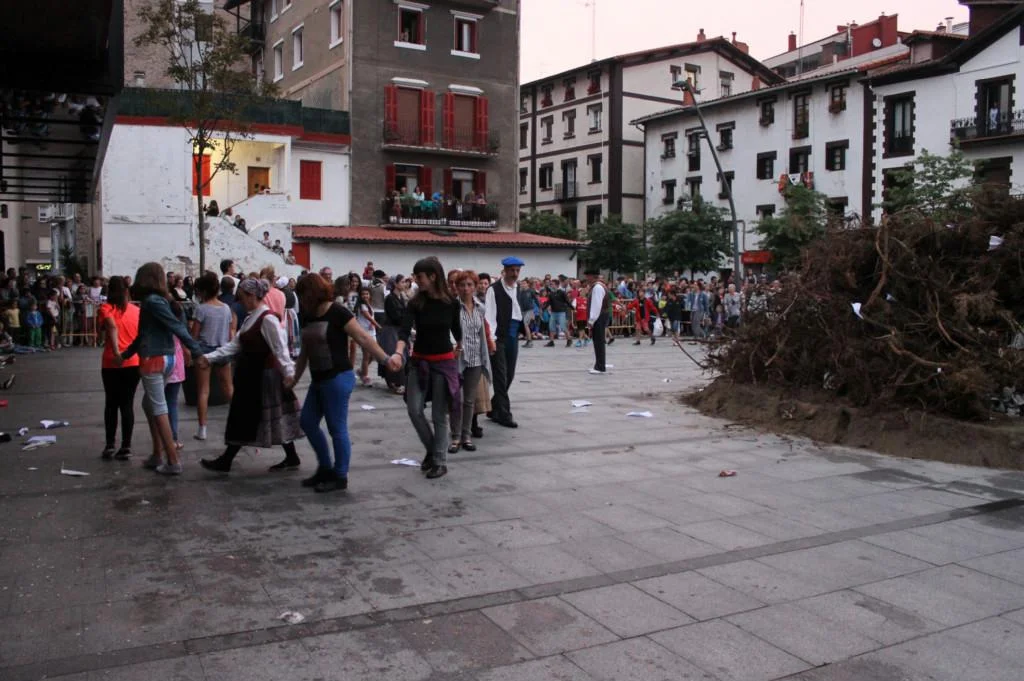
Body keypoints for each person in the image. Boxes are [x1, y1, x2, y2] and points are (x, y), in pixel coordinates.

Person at [284, 274, 397, 492]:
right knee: (307, 421)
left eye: (303, 295)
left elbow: (363, 337)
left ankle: (340, 475)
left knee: (336, 428)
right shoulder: (307, 315)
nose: (302, 300)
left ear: (313, 293)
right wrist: (294, 378)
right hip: (318, 378)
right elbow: (305, 351)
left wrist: (386, 359)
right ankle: (325, 467)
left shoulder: (338, 312)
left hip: (337, 377)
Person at [197, 278, 303, 473]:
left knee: (249, 416)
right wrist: (210, 357)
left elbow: (280, 349)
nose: (241, 301)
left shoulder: (267, 319)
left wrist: (289, 373)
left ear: (253, 296)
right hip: (251, 375)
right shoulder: (251, 318)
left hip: (264, 376)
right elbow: (234, 345)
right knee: (252, 416)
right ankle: (290, 456)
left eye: (243, 297)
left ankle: (227, 460)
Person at [115, 262, 203, 475]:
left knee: (158, 407)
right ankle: (158, 454)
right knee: (151, 404)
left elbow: (173, 326)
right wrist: (126, 355)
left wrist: (196, 350)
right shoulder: (160, 300)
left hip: (154, 358)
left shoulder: (152, 302)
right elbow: (148, 332)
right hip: (166, 357)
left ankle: (172, 460)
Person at [395, 257, 462, 479]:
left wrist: (461, 346)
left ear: (433, 276)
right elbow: (404, 330)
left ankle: (440, 461)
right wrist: (398, 352)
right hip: (419, 361)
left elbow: (457, 330)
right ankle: (433, 450)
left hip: (443, 362)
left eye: (419, 276)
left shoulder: (451, 302)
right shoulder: (415, 303)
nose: (416, 280)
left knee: (438, 415)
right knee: (414, 409)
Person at [450, 271, 493, 454]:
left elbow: (481, 333)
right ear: (456, 287)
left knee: (469, 400)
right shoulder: (452, 307)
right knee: (456, 399)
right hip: (457, 358)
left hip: (475, 358)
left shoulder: (480, 308)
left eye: (469, 285)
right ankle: (455, 436)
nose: (466, 289)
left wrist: (486, 353)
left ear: (475, 287)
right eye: (462, 285)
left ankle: (466, 436)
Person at [97, 276, 140, 460]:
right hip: (133, 361)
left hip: (111, 362)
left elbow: (110, 327)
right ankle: (126, 445)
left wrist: (116, 353)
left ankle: (110, 444)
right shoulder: (137, 311)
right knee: (127, 403)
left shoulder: (106, 308)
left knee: (111, 403)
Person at [191, 272, 236, 441]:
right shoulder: (226, 308)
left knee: (203, 391)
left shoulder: (201, 309)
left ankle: (202, 429)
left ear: (202, 291)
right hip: (223, 349)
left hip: (204, 351)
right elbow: (230, 333)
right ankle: (239, 422)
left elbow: (194, 335)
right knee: (229, 388)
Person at [484, 257, 524, 429]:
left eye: (517, 270)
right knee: (500, 376)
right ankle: (504, 414)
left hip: (513, 335)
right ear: (505, 271)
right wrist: (491, 340)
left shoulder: (518, 288)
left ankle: (494, 407)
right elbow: (489, 317)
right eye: (512, 270)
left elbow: (518, 311)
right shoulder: (494, 290)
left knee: (510, 375)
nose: (515, 274)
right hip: (499, 336)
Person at [380, 273, 408, 394]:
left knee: (402, 354)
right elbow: (395, 316)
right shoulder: (390, 298)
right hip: (391, 329)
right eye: (402, 282)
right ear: (395, 284)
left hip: (398, 329)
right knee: (394, 353)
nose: (405, 284)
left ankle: (397, 381)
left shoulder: (400, 297)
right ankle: (396, 382)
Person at [586, 268, 611, 374]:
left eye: (587, 276)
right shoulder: (600, 286)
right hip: (601, 315)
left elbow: (596, 305)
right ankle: (599, 364)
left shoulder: (597, 287)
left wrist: (591, 320)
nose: (586, 278)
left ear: (592, 276)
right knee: (599, 341)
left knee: (598, 341)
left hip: (599, 316)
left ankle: (600, 367)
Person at [355, 287, 381, 386]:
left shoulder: (368, 304)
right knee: (366, 356)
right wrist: (378, 325)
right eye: (363, 294)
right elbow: (368, 317)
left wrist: (373, 325)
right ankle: (365, 376)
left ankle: (361, 371)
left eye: (367, 294)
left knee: (373, 355)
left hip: (371, 332)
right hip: (364, 333)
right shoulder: (362, 306)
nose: (365, 296)